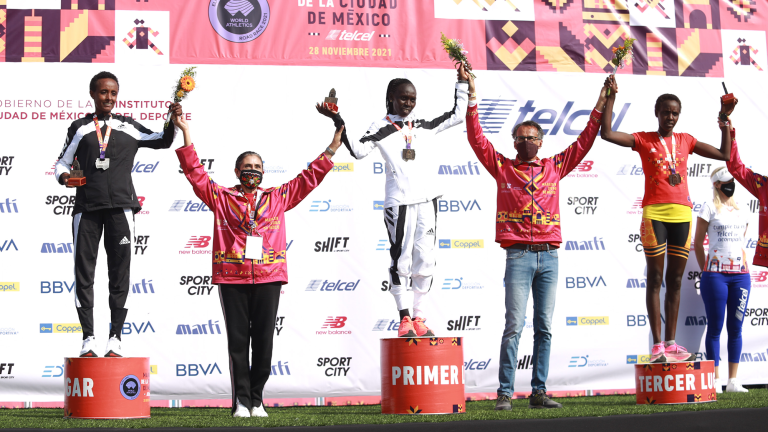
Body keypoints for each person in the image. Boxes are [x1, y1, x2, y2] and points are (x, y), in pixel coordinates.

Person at [174, 114, 344, 418]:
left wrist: (331, 149)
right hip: (232, 277)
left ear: (264, 172)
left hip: (269, 276)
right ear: (237, 171)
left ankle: (257, 399)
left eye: (257, 167)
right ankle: (240, 401)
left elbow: (308, 179)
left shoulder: (277, 197)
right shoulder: (222, 197)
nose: (252, 171)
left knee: (264, 343)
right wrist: (186, 132)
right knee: (238, 342)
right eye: (247, 167)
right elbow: (195, 173)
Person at [466, 74, 609, 410]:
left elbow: (586, 140)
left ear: (541, 142)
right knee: (514, 325)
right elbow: (476, 139)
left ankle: (538, 392)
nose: (525, 142)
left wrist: (602, 101)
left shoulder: (555, 166)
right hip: (518, 255)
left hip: (550, 256)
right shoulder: (502, 166)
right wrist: (471, 94)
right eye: (519, 138)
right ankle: (504, 393)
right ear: (513, 142)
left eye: (530, 137)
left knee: (543, 327)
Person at [316, 65, 470, 338]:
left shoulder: (423, 124)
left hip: (427, 200)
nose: (408, 103)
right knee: (401, 259)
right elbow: (359, 152)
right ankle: (404, 318)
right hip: (399, 202)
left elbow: (458, 115)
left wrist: (461, 82)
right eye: (402, 98)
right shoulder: (381, 127)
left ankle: (420, 318)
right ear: (391, 99)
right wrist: (338, 121)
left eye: (412, 99)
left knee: (426, 258)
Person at [600, 75, 734, 363]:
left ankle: (672, 343)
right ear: (657, 113)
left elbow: (724, 154)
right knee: (656, 279)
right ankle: (658, 346)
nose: (670, 117)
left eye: (675, 113)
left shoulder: (686, 141)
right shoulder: (644, 139)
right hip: (655, 214)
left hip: (682, 214)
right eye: (666, 112)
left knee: (675, 280)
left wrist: (725, 121)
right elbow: (608, 133)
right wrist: (611, 96)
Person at [54, 71, 183, 358]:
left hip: (122, 209)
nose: (109, 98)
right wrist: (65, 179)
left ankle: (116, 338)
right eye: (103, 92)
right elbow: (61, 163)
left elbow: (162, 140)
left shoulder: (128, 127)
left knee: (120, 273)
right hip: (86, 209)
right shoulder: (80, 128)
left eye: (113, 93)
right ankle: (88, 338)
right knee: (84, 273)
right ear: (93, 95)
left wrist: (171, 120)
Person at [693, 166, 750, 393]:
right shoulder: (708, 208)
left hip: (741, 277)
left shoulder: (743, 210)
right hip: (715, 276)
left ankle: (733, 381)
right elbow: (698, 243)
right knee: (715, 328)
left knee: (736, 328)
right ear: (717, 184)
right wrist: (706, 270)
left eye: (731, 180)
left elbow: (741, 241)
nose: (730, 184)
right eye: (726, 181)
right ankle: (715, 379)